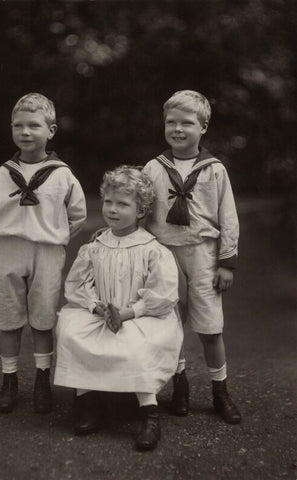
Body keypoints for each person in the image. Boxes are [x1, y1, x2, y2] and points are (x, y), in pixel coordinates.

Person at [54, 166, 183, 450]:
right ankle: (88, 402)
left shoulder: (152, 249)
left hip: (140, 314)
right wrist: (95, 306)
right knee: (70, 328)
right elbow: (77, 284)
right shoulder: (96, 245)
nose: (112, 209)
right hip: (103, 312)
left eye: (123, 204)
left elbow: (163, 294)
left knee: (135, 342)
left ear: (140, 211)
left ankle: (148, 411)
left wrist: (129, 312)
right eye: (108, 202)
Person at [0, 93, 86, 414]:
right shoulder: (4, 172)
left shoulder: (61, 173)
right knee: (9, 318)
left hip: (47, 250)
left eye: (33, 126)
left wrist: (57, 238)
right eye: (18, 126)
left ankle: (42, 379)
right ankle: (9, 379)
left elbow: (78, 214)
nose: (25, 132)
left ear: (51, 131)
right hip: (8, 248)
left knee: (43, 318)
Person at [143, 90, 241, 424]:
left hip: (203, 253)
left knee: (210, 326)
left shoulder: (214, 170)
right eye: (171, 122)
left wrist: (226, 263)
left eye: (187, 123)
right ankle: (179, 385)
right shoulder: (154, 168)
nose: (178, 129)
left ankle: (220, 391)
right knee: (170, 323)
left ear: (204, 127)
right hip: (164, 251)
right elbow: (141, 211)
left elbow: (228, 217)